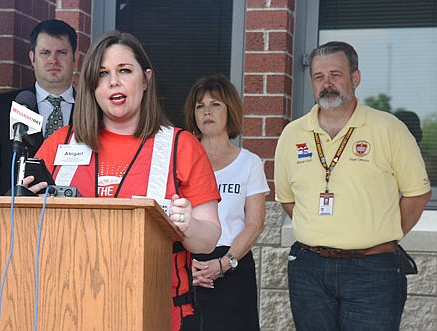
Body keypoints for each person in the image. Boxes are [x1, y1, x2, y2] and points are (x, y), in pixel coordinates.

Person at [26, 30, 222, 331]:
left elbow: (207, 239)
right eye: (102, 74)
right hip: (69, 309)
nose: (113, 82)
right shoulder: (59, 144)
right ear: (92, 86)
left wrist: (187, 225)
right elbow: (24, 231)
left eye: (124, 71)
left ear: (145, 79)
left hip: (156, 312)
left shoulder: (180, 146)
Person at [274, 41, 431, 330]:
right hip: (309, 269)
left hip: (373, 268)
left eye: (335, 74)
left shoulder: (388, 128)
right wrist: (320, 229)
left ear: (355, 78)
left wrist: (385, 234)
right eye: (319, 77)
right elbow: (287, 198)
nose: (327, 84)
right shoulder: (292, 134)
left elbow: (418, 194)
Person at [181, 75, 268, 331]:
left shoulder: (249, 162)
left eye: (215, 104)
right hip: (189, 266)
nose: (207, 111)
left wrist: (224, 263)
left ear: (230, 110)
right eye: (200, 106)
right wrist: (190, 265)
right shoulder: (180, 158)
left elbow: (254, 225)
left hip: (233, 265)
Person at [0, 19, 77, 195]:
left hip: (80, 217)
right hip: (14, 217)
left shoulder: (94, 110)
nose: (53, 60)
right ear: (32, 58)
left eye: (62, 52)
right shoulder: (0, 109)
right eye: (45, 53)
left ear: (75, 57)